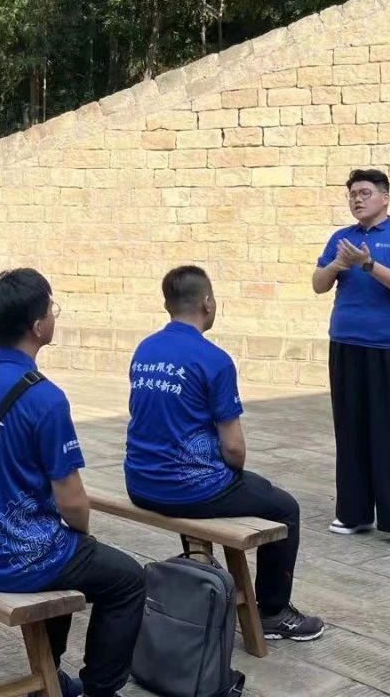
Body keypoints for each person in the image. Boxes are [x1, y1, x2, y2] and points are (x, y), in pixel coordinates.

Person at [0, 269, 145, 697]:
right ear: (38, 326)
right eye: (52, 308)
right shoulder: (45, 398)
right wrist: (83, 532)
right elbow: (72, 502)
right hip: (9, 560)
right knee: (127, 579)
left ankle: (49, 676)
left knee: (67, 551)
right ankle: (99, 689)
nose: (55, 314)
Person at [125, 266, 324, 642]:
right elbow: (234, 449)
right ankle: (274, 611)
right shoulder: (213, 359)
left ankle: (203, 565)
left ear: (167, 305)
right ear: (208, 303)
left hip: (139, 483)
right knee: (285, 508)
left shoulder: (145, 349)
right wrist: (230, 469)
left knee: (249, 486)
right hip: (188, 490)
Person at [312, 168, 390, 555]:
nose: (357, 199)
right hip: (345, 344)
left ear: (385, 197)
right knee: (350, 431)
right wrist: (337, 264)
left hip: (389, 350)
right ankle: (353, 513)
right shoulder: (341, 239)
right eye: (352, 194)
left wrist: (368, 265)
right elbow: (318, 284)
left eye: (364, 193)